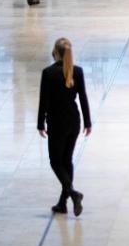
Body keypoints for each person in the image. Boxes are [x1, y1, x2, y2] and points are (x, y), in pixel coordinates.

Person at [38, 38, 91, 216]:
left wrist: (40, 123)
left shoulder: (48, 73)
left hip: (57, 122)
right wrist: (88, 122)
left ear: (56, 52)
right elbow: (83, 97)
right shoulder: (77, 71)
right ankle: (63, 203)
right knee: (66, 161)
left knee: (55, 161)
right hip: (74, 121)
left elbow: (43, 101)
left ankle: (73, 194)